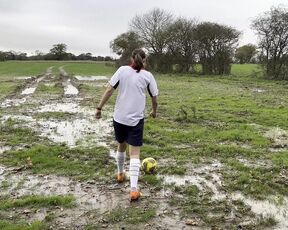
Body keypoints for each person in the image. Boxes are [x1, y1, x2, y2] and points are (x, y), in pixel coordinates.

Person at [95, 48, 158, 201]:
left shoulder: (122, 71)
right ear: (145, 60)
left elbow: (109, 90)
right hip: (136, 120)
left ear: (132, 58)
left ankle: (120, 174)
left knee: (121, 145)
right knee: (135, 153)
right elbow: (154, 98)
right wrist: (154, 112)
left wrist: (99, 108)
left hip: (119, 118)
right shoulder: (148, 76)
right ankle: (134, 190)